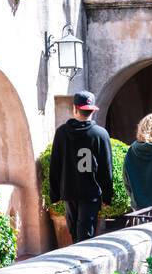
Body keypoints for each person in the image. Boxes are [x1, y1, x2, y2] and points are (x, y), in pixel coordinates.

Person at [49, 91, 114, 243]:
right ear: (92, 111)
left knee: (75, 232)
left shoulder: (61, 133)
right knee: (86, 232)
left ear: (75, 109)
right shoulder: (100, 134)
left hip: (68, 191)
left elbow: (55, 165)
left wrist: (54, 194)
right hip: (91, 192)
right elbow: (106, 168)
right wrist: (107, 196)